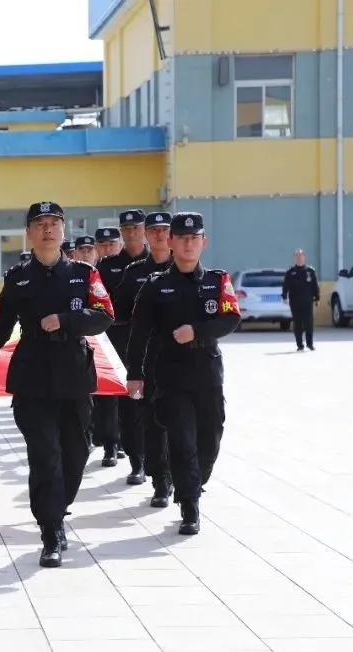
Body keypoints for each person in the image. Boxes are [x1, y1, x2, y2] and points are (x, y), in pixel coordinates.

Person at [0, 201, 115, 568]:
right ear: (29, 233)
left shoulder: (84, 274)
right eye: (40, 224)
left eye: (54, 223)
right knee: (45, 455)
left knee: (76, 453)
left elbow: (103, 315)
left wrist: (66, 320)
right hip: (32, 376)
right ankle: (51, 530)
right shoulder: (18, 277)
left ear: (63, 230)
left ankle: (58, 506)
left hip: (73, 373)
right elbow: (2, 320)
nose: (48, 230)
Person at [125, 212, 240, 535]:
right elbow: (139, 334)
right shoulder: (156, 286)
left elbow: (230, 318)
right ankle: (189, 505)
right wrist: (134, 373)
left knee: (210, 438)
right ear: (171, 242)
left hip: (207, 372)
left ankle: (193, 482)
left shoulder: (217, 281)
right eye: (182, 239)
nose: (188, 244)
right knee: (182, 440)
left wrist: (198, 331)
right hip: (171, 374)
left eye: (194, 238)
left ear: (203, 242)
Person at [113, 211, 173, 506]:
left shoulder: (187, 267)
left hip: (184, 359)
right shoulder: (135, 273)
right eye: (155, 230)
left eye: (165, 230)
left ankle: (184, 475)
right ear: (147, 235)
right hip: (145, 358)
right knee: (150, 421)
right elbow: (116, 313)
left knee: (184, 421)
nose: (160, 235)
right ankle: (160, 479)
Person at [98, 210, 149, 478]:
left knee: (158, 403)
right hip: (118, 342)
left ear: (144, 230)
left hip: (154, 344)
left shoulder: (162, 262)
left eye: (136, 227)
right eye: (126, 229)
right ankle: (133, 458)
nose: (131, 233)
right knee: (124, 403)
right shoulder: (107, 266)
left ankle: (163, 465)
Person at [90, 226, 127, 465]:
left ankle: (126, 440)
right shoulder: (94, 272)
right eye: (102, 245)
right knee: (106, 393)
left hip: (128, 337)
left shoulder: (133, 266)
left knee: (129, 391)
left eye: (111, 244)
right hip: (103, 337)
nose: (107, 248)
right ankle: (110, 443)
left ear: (120, 244)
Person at [282, 249, 320, 351]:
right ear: (294, 258)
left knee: (309, 323)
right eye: (297, 256)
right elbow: (285, 286)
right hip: (295, 301)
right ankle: (299, 345)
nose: (299, 258)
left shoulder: (310, 271)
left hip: (307, 301)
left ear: (304, 257)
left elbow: (315, 285)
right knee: (297, 323)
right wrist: (284, 297)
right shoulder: (290, 272)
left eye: (301, 256)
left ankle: (309, 344)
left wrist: (317, 297)